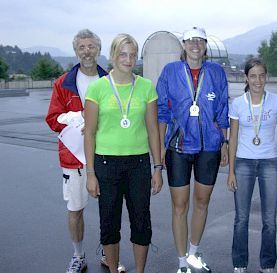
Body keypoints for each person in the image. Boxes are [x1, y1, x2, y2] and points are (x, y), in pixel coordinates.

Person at [46, 29, 125, 273]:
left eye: (91, 47)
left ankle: (106, 252)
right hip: (74, 157)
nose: (87, 52)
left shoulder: (112, 80)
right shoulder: (63, 83)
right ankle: (78, 255)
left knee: (109, 209)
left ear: (99, 51)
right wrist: (79, 119)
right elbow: (52, 119)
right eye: (82, 48)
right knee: (75, 208)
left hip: (106, 154)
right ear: (76, 52)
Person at [84, 33, 163, 273]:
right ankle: (113, 268)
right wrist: (90, 173)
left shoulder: (146, 86)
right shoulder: (97, 88)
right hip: (106, 164)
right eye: (123, 54)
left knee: (141, 222)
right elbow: (89, 134)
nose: (128, 60)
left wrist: (157, 167)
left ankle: (139, 271)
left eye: (132, 55)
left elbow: (153, 131)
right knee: (109, 224)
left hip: (138, 163)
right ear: (112, 56)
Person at [156, 26, 229, 273]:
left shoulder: (217, 72)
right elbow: (163, 112)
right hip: (179, 146)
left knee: (202, 201)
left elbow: (222, 110)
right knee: (179, 205)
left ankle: (194, 254)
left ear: (205, 45)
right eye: (190, 40)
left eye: (200, 40)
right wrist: (161, 149)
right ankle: (181, 262)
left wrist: (225, 142)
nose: (195, 44)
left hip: (210, 146)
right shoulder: (170, 71)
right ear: (184, 45)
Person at [227, 58, 277, 273]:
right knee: (241, 218)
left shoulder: (276, 101)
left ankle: (268, 263)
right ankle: (240, 262)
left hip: (269, 163)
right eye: (253, 76)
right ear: (246, 78)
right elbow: (232, 138)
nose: (258, 80)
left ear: (267, 77)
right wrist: (231, 172)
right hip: (243, 162)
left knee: (269, 219)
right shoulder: (237, 104)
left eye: (262, 75)